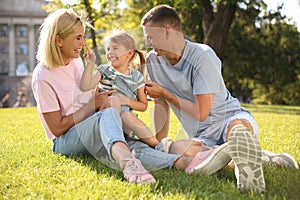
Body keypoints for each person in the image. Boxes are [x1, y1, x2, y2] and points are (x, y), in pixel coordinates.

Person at [31, 8, 231, 185]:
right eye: (77, 38)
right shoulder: (43, 76)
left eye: (83, 37)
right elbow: (56, 129)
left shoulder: (76, 61)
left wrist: (113, 108)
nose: (83, 43)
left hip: (94, 126)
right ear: (58, 40)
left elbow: (89, 94)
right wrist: (96, 105)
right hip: (66, 141)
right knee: (110, 110)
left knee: (132, 142)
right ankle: (128, 164)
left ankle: (186, 162)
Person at [141, 5, 298, 193]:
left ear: (167, 31)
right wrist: (158, 143)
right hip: (202, 136)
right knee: (175, 148)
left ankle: (244, 165)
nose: (148, 43)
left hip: (229, 119)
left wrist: (165, 93)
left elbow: (201, 112)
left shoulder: (203, 56)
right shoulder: (153, 61)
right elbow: (160, 105)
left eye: (150, 37)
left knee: (237, 130)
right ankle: (263, 159)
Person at [80, 29, 159, 148]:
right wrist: (90, 64)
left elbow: (143, 106)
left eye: (115, 48)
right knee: (112, 102)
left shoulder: (137, 77)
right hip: (104, 122)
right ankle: (114, 141)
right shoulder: (104, 70)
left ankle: (158, 146)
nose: (110, 52)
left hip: (125, 125)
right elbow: (86, 86)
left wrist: (126, 101)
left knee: (127, 116)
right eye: (108, 49)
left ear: (129, 54)